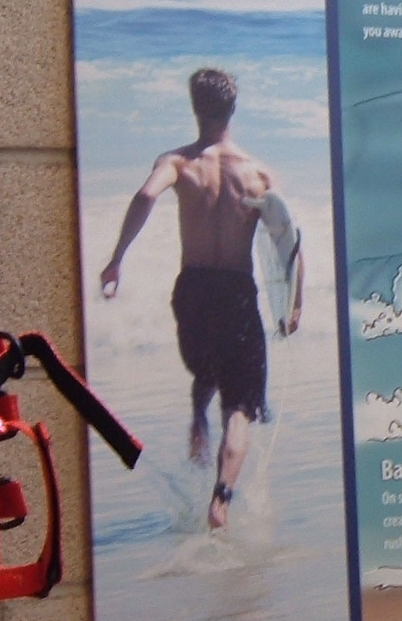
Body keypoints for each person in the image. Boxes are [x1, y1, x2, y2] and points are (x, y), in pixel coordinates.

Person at [99, 68, 301, 530]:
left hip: (191, 289)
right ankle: (221, 499)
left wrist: (117, 260)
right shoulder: (257, 174)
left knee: (206, 367)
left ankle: (196, 418)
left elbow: (145, 196)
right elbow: (288, 242)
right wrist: (294, 304)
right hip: (236, 291)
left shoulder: (177, 163)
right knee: (240, 406)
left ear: (195, 108)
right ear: (234, 109)